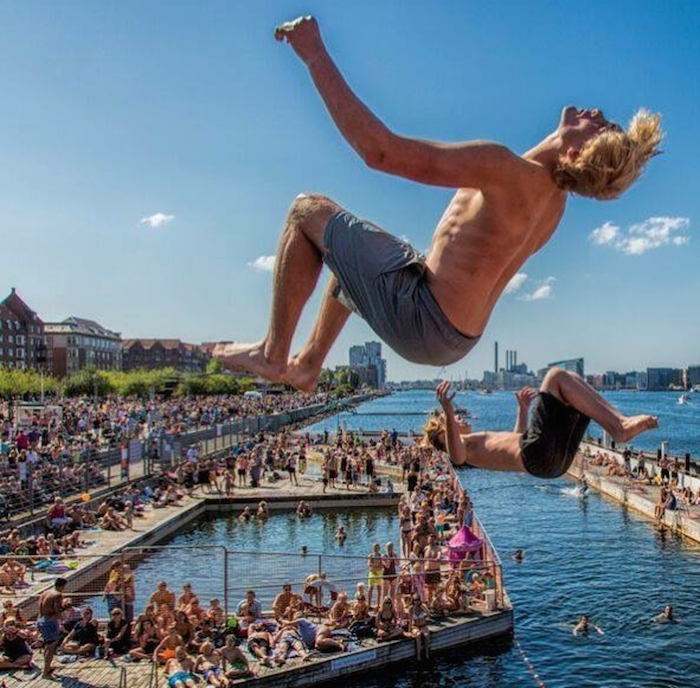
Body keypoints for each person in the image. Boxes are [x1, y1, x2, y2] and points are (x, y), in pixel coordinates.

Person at [213, 15, 662, 391]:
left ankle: (273, 353)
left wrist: (314, 55)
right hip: (455, 335)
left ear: (574, 154)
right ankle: (309, 362)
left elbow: (380, 151)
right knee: (353, 262)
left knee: (306, 210)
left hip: (424, 317)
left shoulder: (506, 170)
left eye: (603, 129)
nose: (599, 115)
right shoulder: (552, 206)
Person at [426, 373, 657, 479]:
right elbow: (456, 457)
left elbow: (517, 438)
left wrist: (523, 410)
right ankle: (619, 425)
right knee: (555, 377)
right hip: (537, 458)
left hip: (552, 465)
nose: (458, 418)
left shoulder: (475, 443)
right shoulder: (462, 447)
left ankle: (619, 424)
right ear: (444, 435)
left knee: (573, 395)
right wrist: (446, 409)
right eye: (453, 420)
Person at [37, 577, 66, 678]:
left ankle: (47, 668)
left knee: (47, 645)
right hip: (49, 622)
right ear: (63, 586)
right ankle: (45, 673)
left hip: (40, 620)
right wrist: (67, 605)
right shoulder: (58, 595)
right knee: (51, 648)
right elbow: (58, 610)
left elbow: (40, 607)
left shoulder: (45, 592)